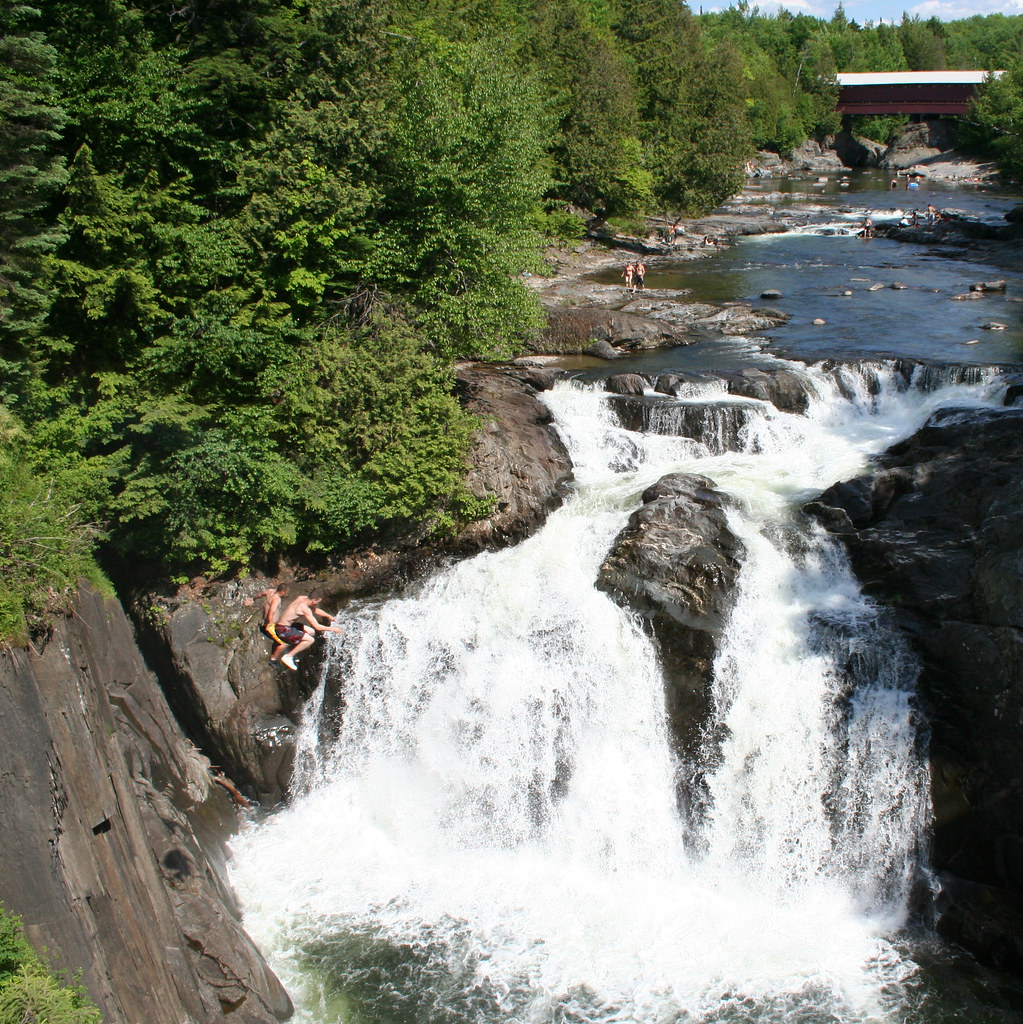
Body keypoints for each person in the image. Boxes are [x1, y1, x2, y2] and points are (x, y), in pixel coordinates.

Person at [273, 593, 343, 670]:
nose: (317, 604)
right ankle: (288, 656)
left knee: (311, 632)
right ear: (313, 600)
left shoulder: (302, 598)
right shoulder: (304, 608)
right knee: (310, 640)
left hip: (289, 625)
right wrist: (333, 629)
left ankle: (292, 649)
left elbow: (315, 610)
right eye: (317, 602)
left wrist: (328, 616)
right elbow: (317, 626)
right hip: (283, 629)